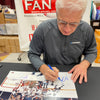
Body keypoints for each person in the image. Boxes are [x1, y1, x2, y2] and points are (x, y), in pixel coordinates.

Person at [28, 0, 97, 84]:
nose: (67, 29)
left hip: (74, 75)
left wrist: (84, 64)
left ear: (80, 17)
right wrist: (43, 68)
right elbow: (33, 53)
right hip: (48, 71)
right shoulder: (43, 29)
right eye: (62, 22)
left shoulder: (86, 30)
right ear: (57, 14)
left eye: (73, 24)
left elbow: (92, 51)